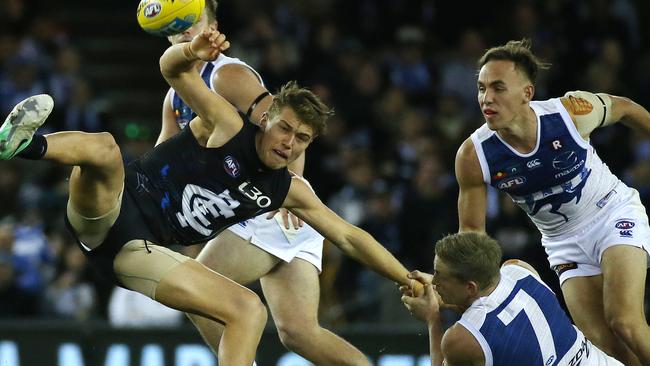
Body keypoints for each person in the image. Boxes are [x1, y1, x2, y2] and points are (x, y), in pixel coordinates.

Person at [0, 29, 416, 366]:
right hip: (109, 209)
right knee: (105, 148)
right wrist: (188, 53)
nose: (290, 144)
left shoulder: (287, 190)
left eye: (302, 139)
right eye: (285, 129)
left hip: (138, 251)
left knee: (248, 310)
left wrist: (407, 277)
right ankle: (21, 146)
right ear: (266, 118)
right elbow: (172, 72)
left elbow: (349, 236)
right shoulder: (226, 124)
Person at [160, 2, 370, 364]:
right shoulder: (174, 95)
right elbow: (160, 165)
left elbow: (289, 126)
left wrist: (291, 187)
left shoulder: (227, 76)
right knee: (299, 333)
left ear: (214, 26)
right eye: (176, 24)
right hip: (264, 208)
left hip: (269, 205)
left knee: (196, 293)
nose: (184, 30)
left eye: (193, 21)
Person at [455, 39, 650, 365]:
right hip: (563, 244)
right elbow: (472, 235)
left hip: (612, 214)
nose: (486, 98)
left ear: (527, 94)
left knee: (624, 321)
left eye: (498, 87)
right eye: (481, 88)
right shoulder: (474, 155)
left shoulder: (570, 113)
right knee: (606, 350)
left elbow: (627, 108)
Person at [401, 232, 624, 366]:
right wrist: (443, 291)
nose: (435, 281)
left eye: (440, 274)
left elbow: (480, 324)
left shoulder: (459, 339)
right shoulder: (519, 269)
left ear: (470, 287)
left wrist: (433, 319)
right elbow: (492, 307)